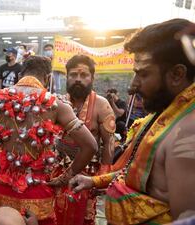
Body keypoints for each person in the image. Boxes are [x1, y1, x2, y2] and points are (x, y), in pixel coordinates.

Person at [70, 18, 195, 224]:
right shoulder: (166, 116)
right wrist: (92, 181)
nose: (132, 86)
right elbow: (137, 173)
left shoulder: (188, 132)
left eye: (143, 74)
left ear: (177, 74)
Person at [0, 55, 98, 225]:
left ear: (21, 74)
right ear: (48, 78)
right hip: (37, 191)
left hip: (1, 186)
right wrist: (66, 178)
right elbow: (90, 146)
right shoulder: (56, 104)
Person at [54, 54, 116, 225]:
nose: (78, 79)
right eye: (73, 75)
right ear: (67, 77)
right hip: (57, 170)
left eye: (84, 75)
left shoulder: (102, 105)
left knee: (80, 217)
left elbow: (109, 144)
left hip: (86, 174)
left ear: (92, 78)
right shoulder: (58, 102)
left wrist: (102, 177)